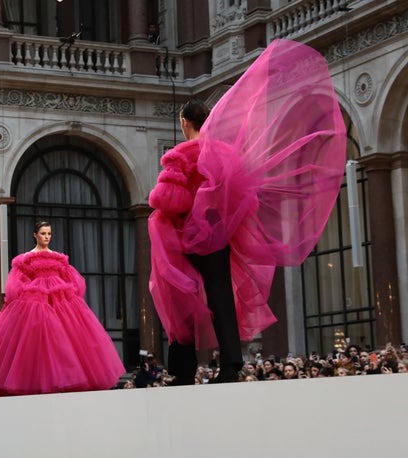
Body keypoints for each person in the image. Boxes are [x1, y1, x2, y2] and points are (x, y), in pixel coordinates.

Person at [147, 39, 346, 385]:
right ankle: (231, 363)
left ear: (184, 122)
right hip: (218, 236)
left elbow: (169, 201)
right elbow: (241, 196)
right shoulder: (224, 153)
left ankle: (183, 368)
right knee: (221, 294)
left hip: (185, 239)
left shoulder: (180, 156)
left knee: (181, 299)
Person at [0, 220, 125, 397]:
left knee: (64, 339)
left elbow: (74, 281)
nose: (46, 237)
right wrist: (26, 292)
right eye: (43, 233)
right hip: (35, 301)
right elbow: (14, 284)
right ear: (35, 235)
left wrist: (66, 292)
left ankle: (65, 380)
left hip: (60, 300)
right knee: (37, 340)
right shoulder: (27, 258)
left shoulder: (58, 258)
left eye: (49, 233)